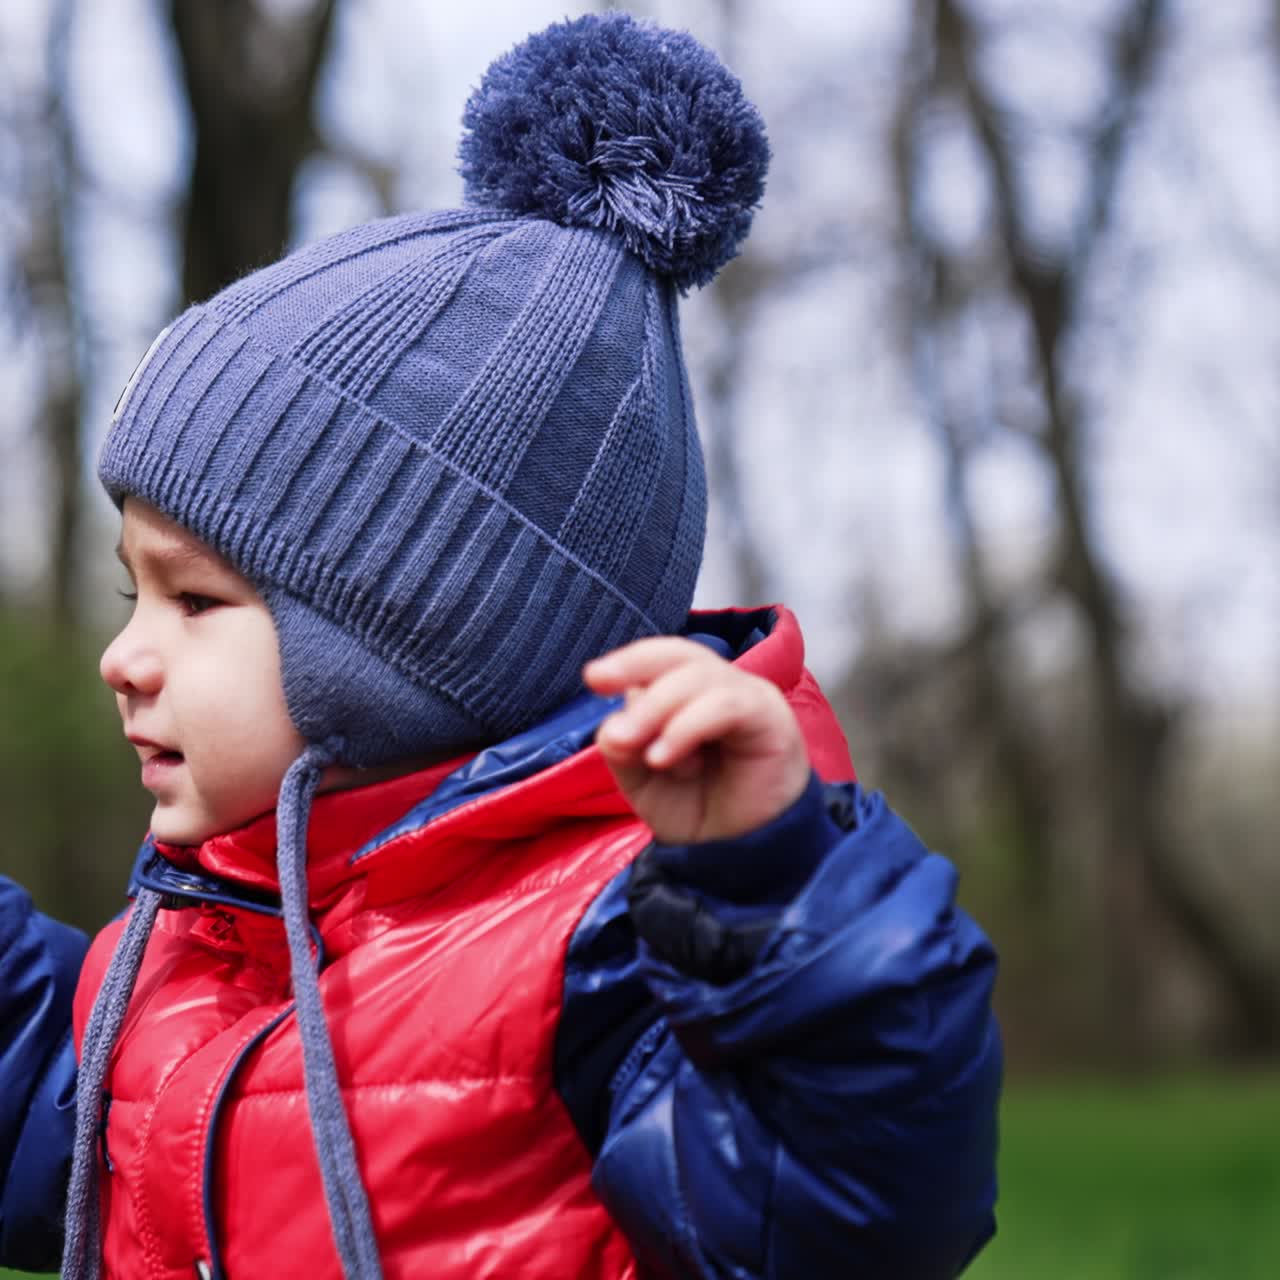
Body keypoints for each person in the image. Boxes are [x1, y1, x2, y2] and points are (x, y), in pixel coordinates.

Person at [0, 13, 1000, 1279]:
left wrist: (769, 902)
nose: (123, 655)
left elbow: (841, 1212)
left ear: (419, 634)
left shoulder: (604, 949)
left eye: (194, 602)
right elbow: (50, 1113)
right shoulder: (205, 938)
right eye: (131, 592)